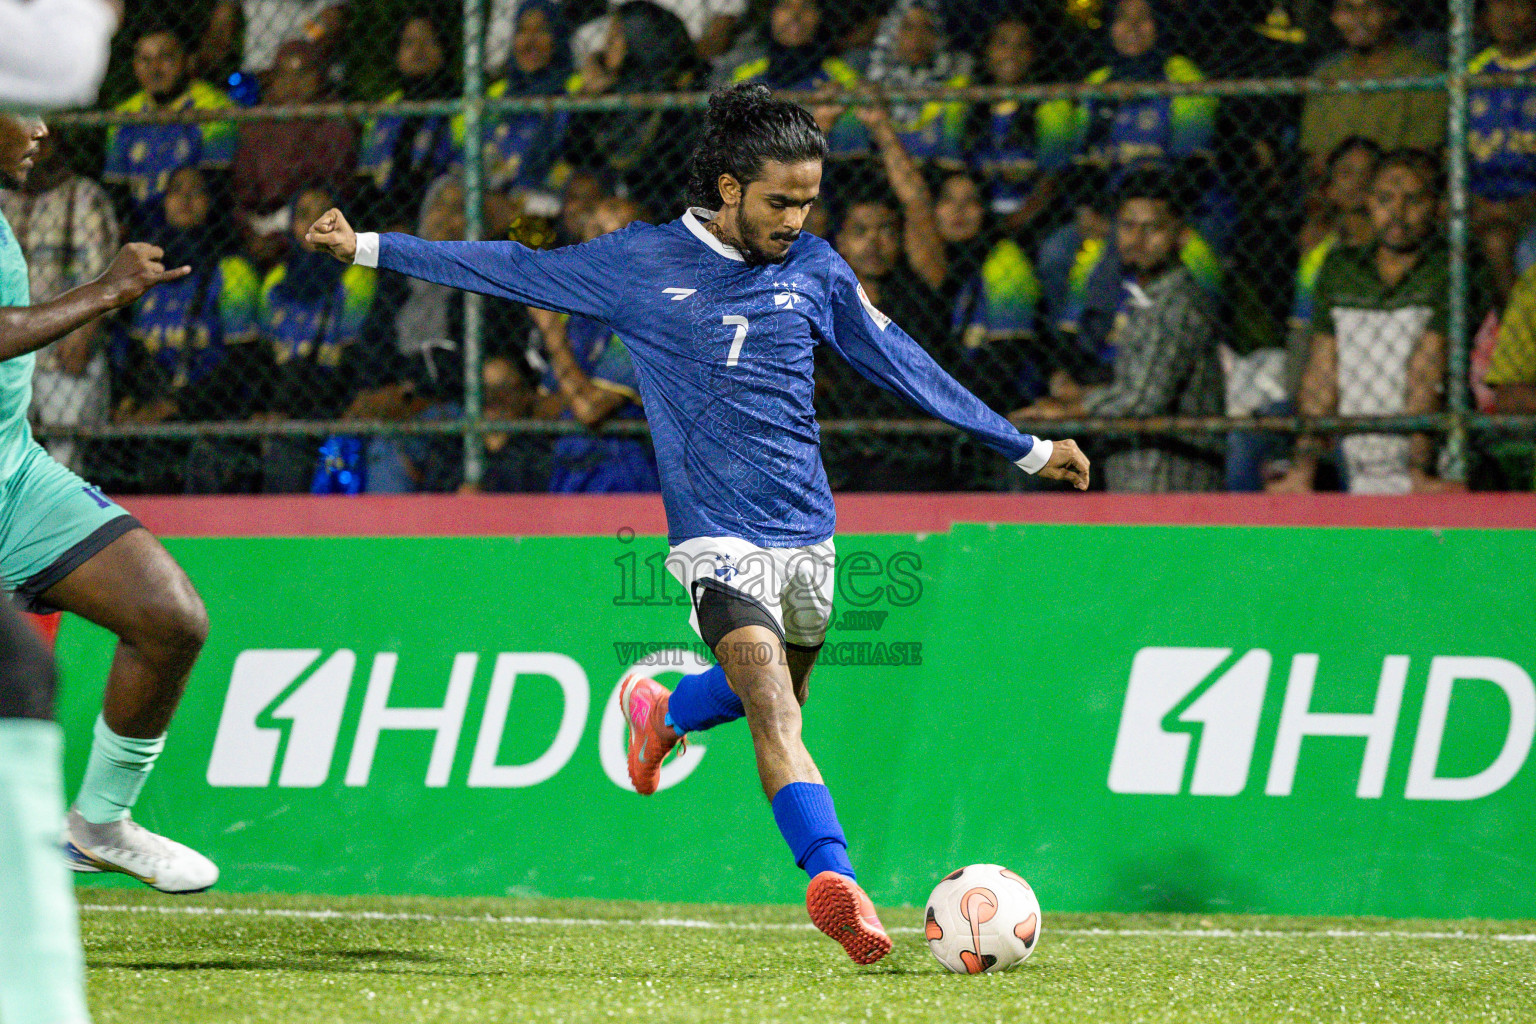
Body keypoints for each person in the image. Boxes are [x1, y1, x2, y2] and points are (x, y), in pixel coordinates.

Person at [306, 82, 1088, 965]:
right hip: (716, 541)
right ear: (725, 188)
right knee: (774, 713)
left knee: (786, 691)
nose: (796, 217)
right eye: (779, 201)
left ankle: (663, 709)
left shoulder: (816, 270)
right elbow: (509, 267)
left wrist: (1022, 446)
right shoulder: (639, 262)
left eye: (808, 200)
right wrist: (367, 245)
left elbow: (902, 363)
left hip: (809, 534)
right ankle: (836, 882)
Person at [0, 115, 220, 906]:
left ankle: (99, 824)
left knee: (170, 618)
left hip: (16, 478)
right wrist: (107, 291)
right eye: (19, 107)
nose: (39, 125)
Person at [1271, 149, 1470, 494]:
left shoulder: (1448, 268)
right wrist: (1303, 469)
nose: (1397, 213)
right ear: (1368, 202)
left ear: (1436, 206)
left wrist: (1418, 473)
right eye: (1385, 199)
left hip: (1431, 448)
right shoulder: (1339, 268)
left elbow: (1428, 370)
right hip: (1356, 447)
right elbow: (1322, 371)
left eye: (1413, 200)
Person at [1015, 166, 1224, 492]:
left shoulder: (1177, 303)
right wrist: (1077, 396)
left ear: (1179, 233)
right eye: (1128, 226)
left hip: (1167, 480)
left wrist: (1066, 411)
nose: (1137, 240)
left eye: (1152, 228)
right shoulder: (1142, 295)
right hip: (1135, 471)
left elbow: (1143, 399)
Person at [112, 167, 263, 493]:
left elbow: (243, 365)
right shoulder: (147, 274)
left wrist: (176, 405)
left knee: (179, 455)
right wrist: (130, 400)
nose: (185, 198)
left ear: (212, 203)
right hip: (157, 408)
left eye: (197, 191)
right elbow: (138, 354)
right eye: (176, 190)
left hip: (213, 410)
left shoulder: (232, 270)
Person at [0, 129, 120, 475]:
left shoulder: (85, 197)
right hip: (9, 343)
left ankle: (66, 521)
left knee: (64, 455)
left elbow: (103, 277)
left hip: (63, 344)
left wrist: (83, 334)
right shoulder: (4, 201)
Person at [102, 20, 236, 238]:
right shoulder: (124, 115)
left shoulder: (214, 106)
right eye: (145, 60)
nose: (155, 69)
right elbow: (116, 189)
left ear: (187, 60)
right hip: (140, 228)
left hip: (196, 231)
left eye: (166, 57)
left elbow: (215, 185)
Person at [231, 38, 356, 268]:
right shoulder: (259, 122)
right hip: (259, 229)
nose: (293, 84)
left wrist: (283, 237)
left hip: (309, 231)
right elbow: (242, 191)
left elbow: (333, 188)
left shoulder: (334, 121)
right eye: (284, 75)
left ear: (320, 77)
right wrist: (250, 235)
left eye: (303, 73)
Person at [1298, 0, 1444, 174]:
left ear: (1392, 12)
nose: (1359, 18)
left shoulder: (1424, 76)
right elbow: (1315, 157)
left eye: (1371, 7)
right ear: (1334, 16)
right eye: (1348, 8)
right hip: (1337, 190)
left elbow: (1422, 158)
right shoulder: (1325, 76)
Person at [354, 13, 458, 232]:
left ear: (444, 50)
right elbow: (368, 172)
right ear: (397, 55)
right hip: (381, 212)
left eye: (428, 41)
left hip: (434, 209)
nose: (419, 50)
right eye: (409, 43)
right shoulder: (385, 108)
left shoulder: (458, 104)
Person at [1469, 0, 1536, 298]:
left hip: (1529, 200)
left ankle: (1514, 335)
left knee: (1508, 246)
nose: (1507, 12)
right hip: (1480, 200)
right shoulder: (1472, 71)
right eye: (1498, 3)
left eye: (1518, 2)